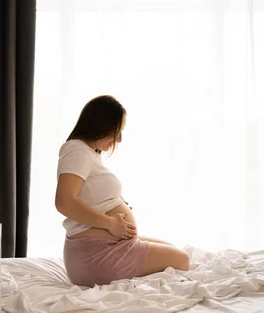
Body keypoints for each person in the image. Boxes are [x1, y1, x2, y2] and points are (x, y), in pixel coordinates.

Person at [55, 95, 190, 287]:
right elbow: (64, 202)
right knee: (181, 260)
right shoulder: (77, 151)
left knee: (172, 250)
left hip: (102, 249)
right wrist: (110, 222)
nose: (119, 138)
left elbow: (85, 195)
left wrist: (114, 202)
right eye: (117, 131)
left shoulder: (86, 152)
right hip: (96, 256)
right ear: (101, 125)